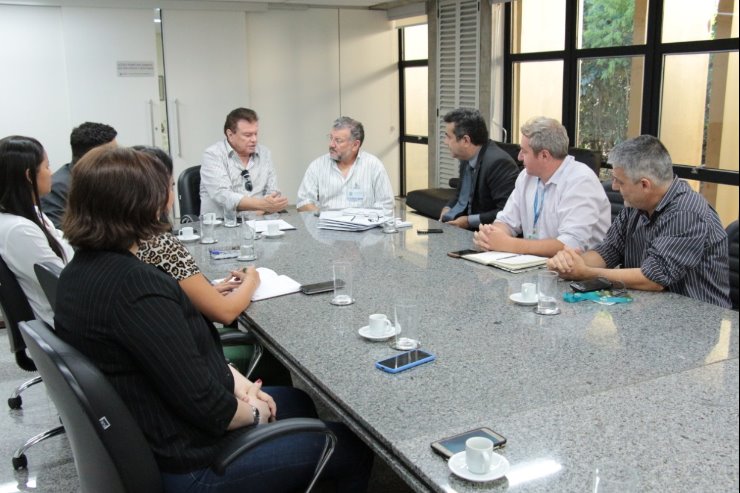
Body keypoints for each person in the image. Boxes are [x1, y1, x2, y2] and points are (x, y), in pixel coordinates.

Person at [54, 146, 373, 492]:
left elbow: (181, 359)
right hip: (190, 464)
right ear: (143, 203)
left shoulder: (80, 272)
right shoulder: (135, 288)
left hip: (153, 425)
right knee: (352, 446)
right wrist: (254, 412)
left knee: (298, 402)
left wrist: (244, 387)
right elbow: (206, 405)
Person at [548, 135, 731, 308]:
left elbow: (654, 279)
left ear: (644, 185)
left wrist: (586, 273)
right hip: (649, 310)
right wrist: (571, 263)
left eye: (619, 181)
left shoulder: (687, 213)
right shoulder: (635, 207)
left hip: (694, 322)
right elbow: (608, 251)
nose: (613, 187)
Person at [132, 145, 267, 377]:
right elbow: (225, 313)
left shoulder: (126, 241)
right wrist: (252, 280)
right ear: (157, 191)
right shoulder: (160, 244)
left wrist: (204, 292)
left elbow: (161, 296)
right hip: (194, 359)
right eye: (171, 186)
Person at [473, 116, 610, 257]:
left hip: (579, 274)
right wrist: (490, 237)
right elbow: (507, 221)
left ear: (544, 155)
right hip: (534, 265)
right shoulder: (526, 176)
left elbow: (571, 244)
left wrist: (509, 244)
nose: (519, 157)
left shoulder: (581, 181)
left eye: (524, 151)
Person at [0, 136, 74, 326]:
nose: (51, 173)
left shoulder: (31, 215)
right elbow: (63, 283)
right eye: (47, 166)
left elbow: (65, 243)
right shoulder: (19, 230)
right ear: (28, 175)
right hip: (61, 323)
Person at [439, 108, 519, 230]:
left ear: (466, 140)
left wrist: (469, 221)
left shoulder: (498, 163)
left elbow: (506, 211)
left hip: (486, 232)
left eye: (448, 137)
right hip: (462, 228)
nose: (445, 142)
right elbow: (460, 195)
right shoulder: (466, 157)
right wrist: (448, 209)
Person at [200, 108, 288, 217]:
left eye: (256, 134)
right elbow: (223, 196)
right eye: (248, 135)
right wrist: (262, 205)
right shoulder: (213, 154)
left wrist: (266, 206)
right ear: (230, 135)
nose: (254, 139)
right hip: (222, 226)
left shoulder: (265, 153)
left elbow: (273, 192)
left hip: (259, 223)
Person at [297, 116, 394, 211]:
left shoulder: (374, 166)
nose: (331, 144)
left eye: (338, 141)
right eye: (331, 138)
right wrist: (323, 218)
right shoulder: (317, 166)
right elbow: (303, 202)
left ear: (355, 145)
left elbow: (386, 205)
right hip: (327, 225)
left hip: (364, 226)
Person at [39, 122, 117, 228]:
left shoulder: (107, 181)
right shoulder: (57, 188)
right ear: (92, 156)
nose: (119, 160)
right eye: (113, 154)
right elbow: (60, 237)